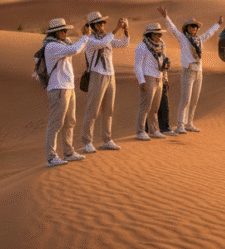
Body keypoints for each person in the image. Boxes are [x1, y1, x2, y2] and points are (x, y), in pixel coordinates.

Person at [158, 7, 222, 134]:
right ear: (186, 28)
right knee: (185, 100)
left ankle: (189, 124)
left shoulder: (199, 40)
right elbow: (173, 29)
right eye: (191, 26)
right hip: (188, 71)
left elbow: (209, 33)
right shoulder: (183, 38)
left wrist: (218, 24)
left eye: (195, 26)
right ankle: (180, 125)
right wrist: (166, 17)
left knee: (194, 100)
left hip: (199, 72)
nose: (193, 28)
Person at [42, 17, 89, 167]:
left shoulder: (62, 43)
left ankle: (69, 152)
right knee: (56, 124)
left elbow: (75, 46)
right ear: (55, 33)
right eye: (62, 31)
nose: (65, 33)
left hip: (68, 87)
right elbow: (75, 49)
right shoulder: (51, 47)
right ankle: (51, 157)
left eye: (65, 30)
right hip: (58, 88)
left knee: (70, 121)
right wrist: (86, 36)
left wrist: (83, 36)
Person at [81, 12, 130, 153]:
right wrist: (116, 29)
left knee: (109, 110)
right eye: (99, 23)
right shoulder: (90, 40)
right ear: (93, 26)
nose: (102, 25)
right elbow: (102, 43)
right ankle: (87, 141)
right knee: (93, 110)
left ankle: (107, 139)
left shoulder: (106, 38)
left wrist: (125, 30)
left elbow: (123, 44)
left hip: (110, 76)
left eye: (103, 23)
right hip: (97, 76)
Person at [134, 22, 170, 141]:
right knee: (145, 107)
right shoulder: (142, 46)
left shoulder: (161, 45)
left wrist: (165, 70)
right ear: (149, 35)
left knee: (155, 107)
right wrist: (141, 81)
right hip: (147, 78)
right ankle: (140, 131)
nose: (158, 37)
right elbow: (137, 66)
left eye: (159, 34)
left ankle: (154, 130)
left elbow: (162, 60)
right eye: (155, 34)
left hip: (159, 77)